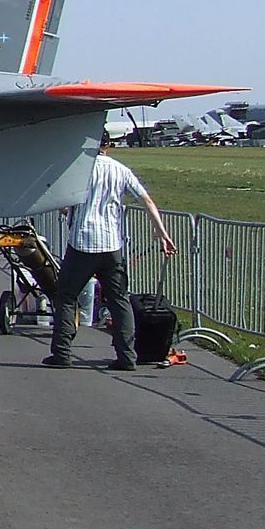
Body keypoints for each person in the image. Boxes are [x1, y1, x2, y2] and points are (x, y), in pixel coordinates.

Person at [44, 138, 176, 370]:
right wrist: (161, 231)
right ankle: (127, 356)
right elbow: (145, 199)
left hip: (82, 242)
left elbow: (64, 203)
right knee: (119, 300)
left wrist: (69, 210)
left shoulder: (79, 170)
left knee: (67, 296)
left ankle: (62, 352)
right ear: (108, 146)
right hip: (111, 243)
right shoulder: (121, 170)